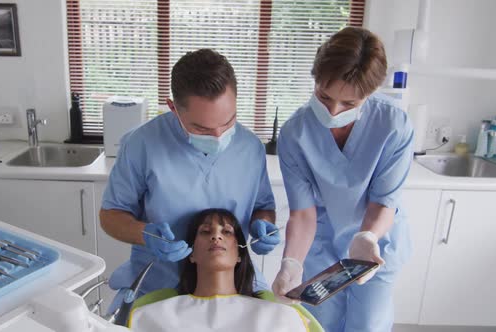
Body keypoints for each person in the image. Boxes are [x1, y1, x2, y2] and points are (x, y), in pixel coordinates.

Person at [100, 49, 280, 324]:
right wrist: (145, 234)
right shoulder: (141, 145)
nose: (219, 136)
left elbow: (263, 206)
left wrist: (263, 224)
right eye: (203, 129)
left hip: (234, 286)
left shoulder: (250, 147)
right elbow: (111, 216)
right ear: (173, 108)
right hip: (161, 285)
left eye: (228, 122)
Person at [272, 27, 414, 332]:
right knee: (321, 323)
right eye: (324, 95)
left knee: (369, 325)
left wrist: (366, 238)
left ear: (370, 93)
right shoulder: (295, 133)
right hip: (320, 243)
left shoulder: (393, 126)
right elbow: (303, 212)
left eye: (348, 104)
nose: (332, 110)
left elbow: (383, 201)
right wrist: (292, 263)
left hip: (376, 244)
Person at [128, 209, 312, 331]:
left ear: (240, 253)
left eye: (227, 232)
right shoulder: (152, 315)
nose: (216, 236)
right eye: (206, 231)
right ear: (191, 254)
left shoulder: (279, 317)